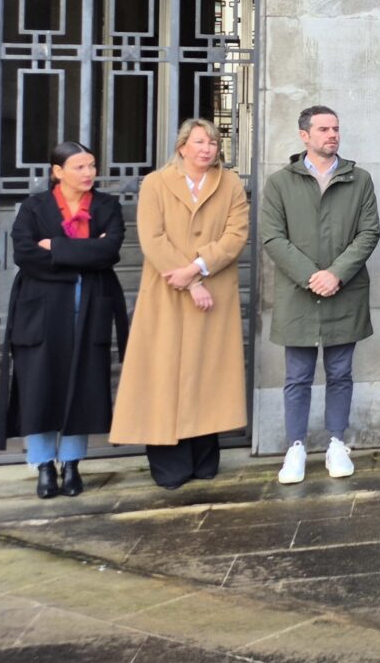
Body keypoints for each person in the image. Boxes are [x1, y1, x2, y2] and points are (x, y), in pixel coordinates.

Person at [109, 119, 250, 489]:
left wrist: (197, 268)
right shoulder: (156, 183)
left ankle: (203, 457)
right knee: (164, 374)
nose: (207, 148)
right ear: (182, 146)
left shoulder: (230, 183)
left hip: (214, 291)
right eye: (199, 141)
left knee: (207, 375)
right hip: (167, 292)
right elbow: (152, 237)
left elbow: (236, 235)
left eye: (213, 142)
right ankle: (169, 463)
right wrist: (190, 282)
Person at [260, 105, 380, 485]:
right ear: (304, 135)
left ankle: (336, 443)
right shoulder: (280, 183)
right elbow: (272, 237)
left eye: (336, 128)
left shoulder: (359, 179)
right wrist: (311, 276)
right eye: (324, 129)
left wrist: (336, 274)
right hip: (299, 295)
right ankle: (295, 447)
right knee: (297, 376)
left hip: (344, 293)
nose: (332, 135)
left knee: (341, 373)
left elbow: (369, 233)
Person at [5, 142, 129, 498]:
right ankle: (44, 465)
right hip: (40, 309)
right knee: (39, 386)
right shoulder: (34, 207)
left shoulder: (106, 206)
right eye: (79, 167)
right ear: (57, 172)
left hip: (89, 306)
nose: (89, 173)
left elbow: (110, 251)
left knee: (83, 384)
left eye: (92, 165)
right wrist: (84, 254)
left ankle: (72, 463)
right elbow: (25, 255)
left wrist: (55, 247)